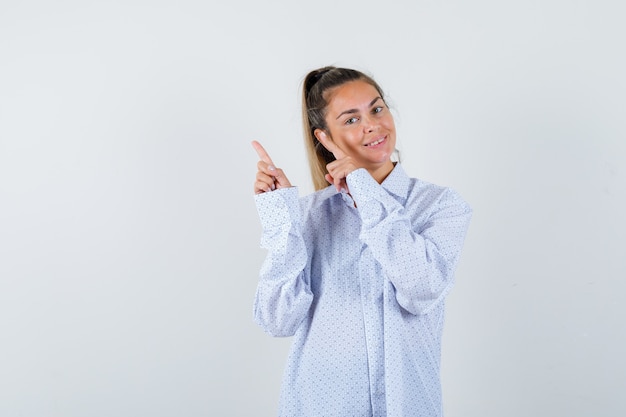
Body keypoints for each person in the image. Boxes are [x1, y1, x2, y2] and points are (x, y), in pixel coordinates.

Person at [251, 66, 472, 417]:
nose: (372, 125)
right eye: (351, 120)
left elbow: (422, 288)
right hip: (320, 406)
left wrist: (366, 192)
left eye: (377, 109)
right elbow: (278, 321)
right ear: (324, 138)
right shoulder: (309, 216)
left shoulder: (440, 205)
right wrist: (281, 218)